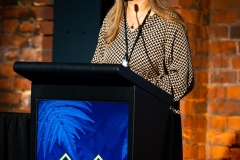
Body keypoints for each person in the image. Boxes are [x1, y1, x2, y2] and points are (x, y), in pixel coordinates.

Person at [92, 0, 194, 159]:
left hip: (153, 124)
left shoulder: (170, 23)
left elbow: (182, 79)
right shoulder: (111, 20)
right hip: (111, 126)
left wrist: (137, 89)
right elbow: (96, 68)